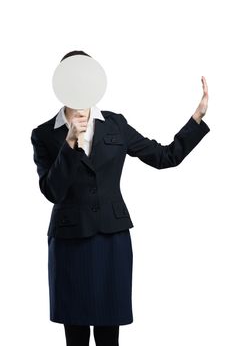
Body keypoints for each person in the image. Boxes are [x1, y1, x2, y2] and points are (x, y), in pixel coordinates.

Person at [31, 50, 210, 346]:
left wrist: (196, 119)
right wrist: (70, 143)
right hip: (69, 239)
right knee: (75, 333)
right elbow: (52, 191)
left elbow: (165, 156)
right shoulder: (44, 135)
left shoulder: (115, 124)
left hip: (110, 237)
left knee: (108, 332)